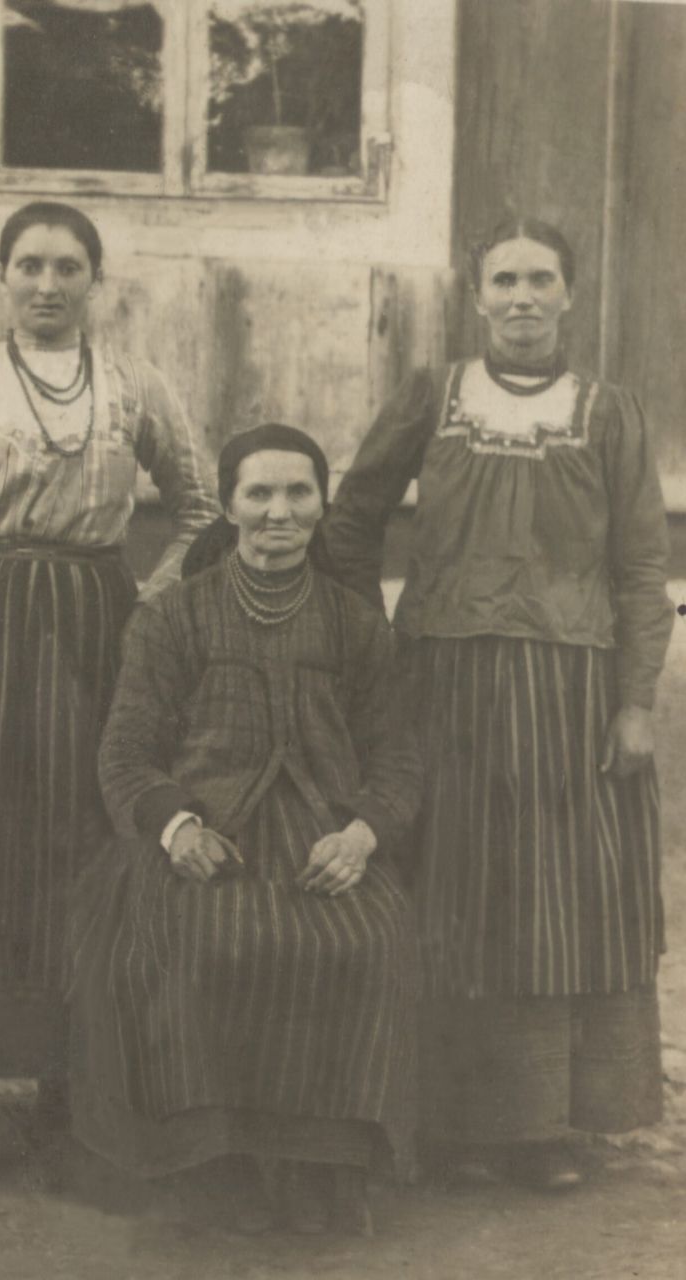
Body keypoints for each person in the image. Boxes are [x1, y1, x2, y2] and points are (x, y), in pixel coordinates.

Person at [0, 201, 218, 1191]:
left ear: (95, 280)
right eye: (28, 264)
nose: (48, 283)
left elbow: (199, 509)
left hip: (89, 640)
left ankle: (72, 1102)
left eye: (69, 265)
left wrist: (144, 603)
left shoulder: (133, 386)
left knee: (76, 850)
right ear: (0, 277)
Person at [325, 216, 673, 1191]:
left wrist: (633, 703)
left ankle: (549, 1125)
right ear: (475, 296)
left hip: (571, 692)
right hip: (441, 686)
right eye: (504, 280)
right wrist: (367, 646)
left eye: (541, 279)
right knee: (454, 891)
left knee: (561, 899)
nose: (522, 297)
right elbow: (350, 519)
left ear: (570, 294)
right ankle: (442, 1119)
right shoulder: (432, 396)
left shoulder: (609, 412)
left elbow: (644, 566)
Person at [67, 424, 422, 1234]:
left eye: (297, 493)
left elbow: (399, 760)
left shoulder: (355, 624)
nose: (277, 512)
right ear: (227, 506)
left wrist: (361, 836)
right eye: (257, 493)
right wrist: (175, 827)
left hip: (321, 841)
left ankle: (321, 1175)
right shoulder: (172, 619)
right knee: (195, 939)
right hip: (205, 839)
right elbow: (123, 754)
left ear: (322, 506)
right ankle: (207, 1173)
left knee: (369, 941)